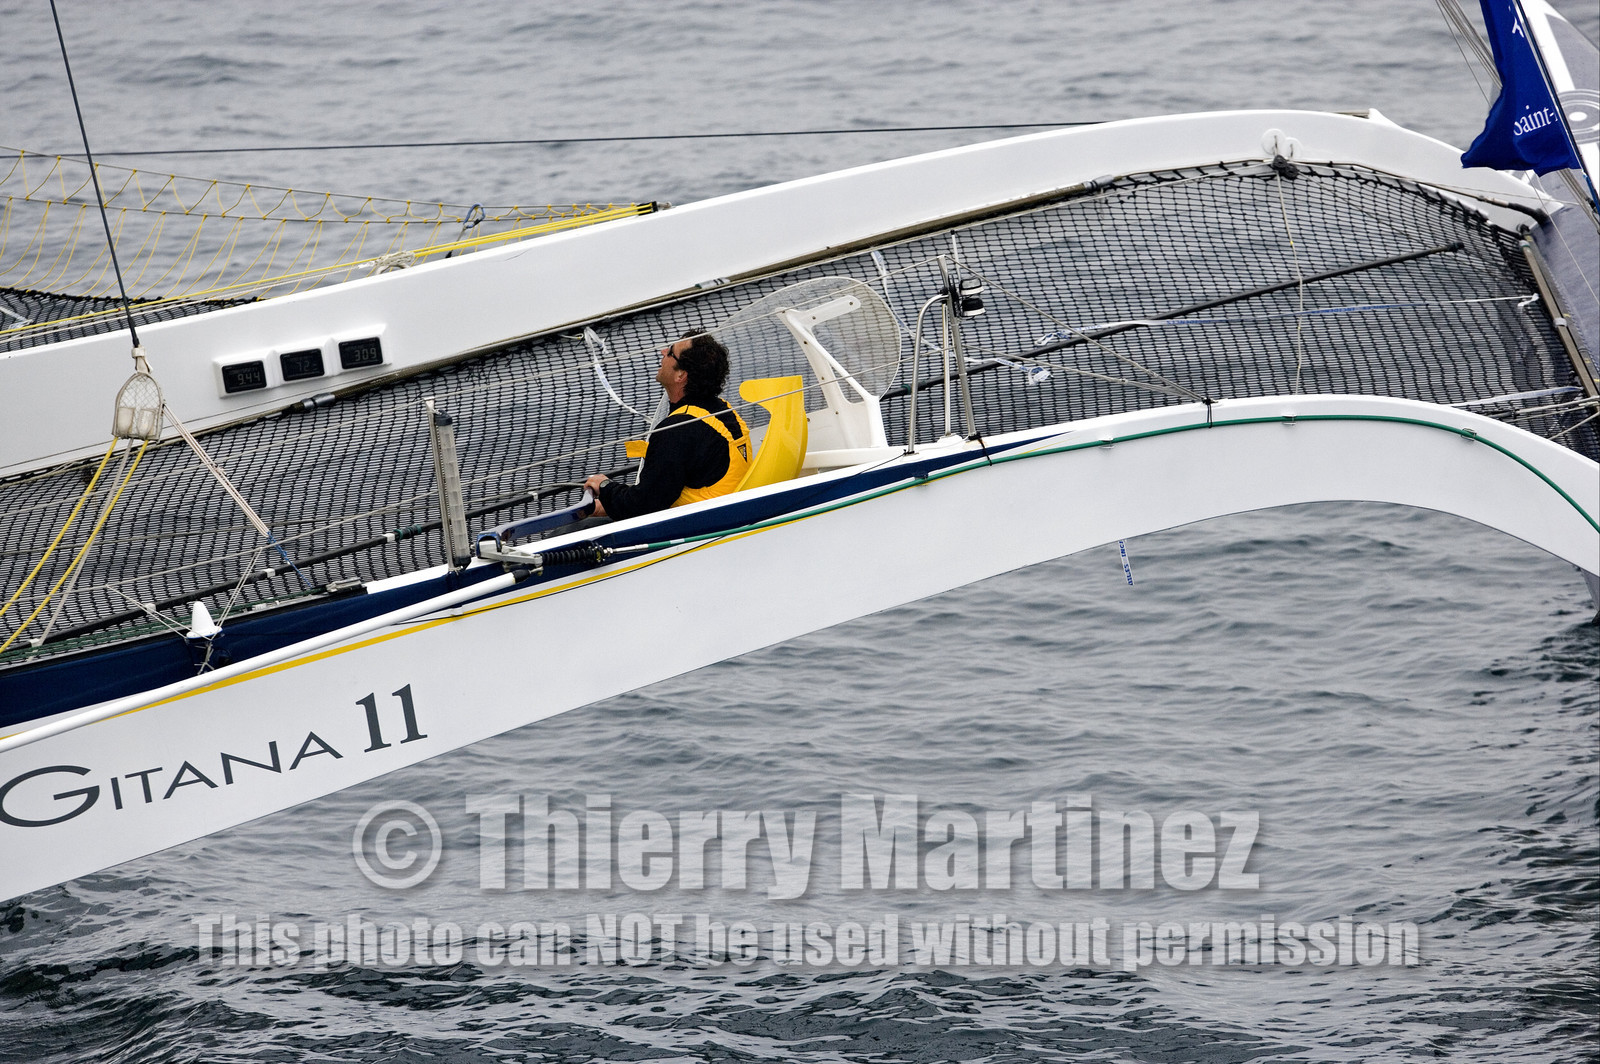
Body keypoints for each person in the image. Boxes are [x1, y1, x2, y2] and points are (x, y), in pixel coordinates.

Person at [583, 331, 751, 520]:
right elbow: (661, 493)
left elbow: (641, 507)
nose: (663, 352)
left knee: (574, 531)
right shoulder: (724, 411)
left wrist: (605, 486)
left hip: (695, 528)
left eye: (670, 352)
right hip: (726, 514)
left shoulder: (677, 431)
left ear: (681, 374)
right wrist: (606, 506)